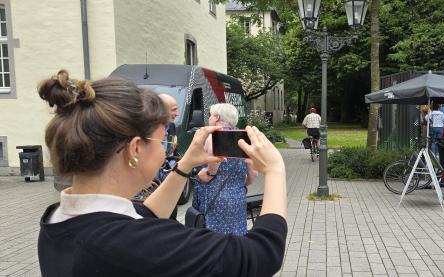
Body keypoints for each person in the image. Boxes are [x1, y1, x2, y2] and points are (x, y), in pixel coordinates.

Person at [36, 70, 287, 276]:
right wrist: (275, 171)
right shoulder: (136, 244)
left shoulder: (58, 220)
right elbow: (261, 254)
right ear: (135, 148)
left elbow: (146, 214)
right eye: (162, 142)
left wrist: (185, 165)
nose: (166, 151)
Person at [195, 103, 258, 235]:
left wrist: (209, 173)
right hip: (238, 197)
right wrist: (240, 184)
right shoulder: (243, 137)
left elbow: (213, 152)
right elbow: (253, 175)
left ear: (217, 117)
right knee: (237, 237)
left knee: (214, 239)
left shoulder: (213, 135)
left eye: (210, 115)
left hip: (215, 198)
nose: (209, 118)